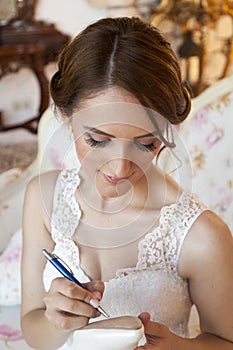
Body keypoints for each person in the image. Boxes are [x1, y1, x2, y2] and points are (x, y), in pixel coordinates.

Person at [21, 16, 233, 350]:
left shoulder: (202, 237)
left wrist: (177, 347)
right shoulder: (42, 198)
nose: (120, 167)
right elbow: (33, 331)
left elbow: (225, 342)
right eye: (97, 140)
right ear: (65, 115)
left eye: (146, 143)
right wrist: (55, 320)